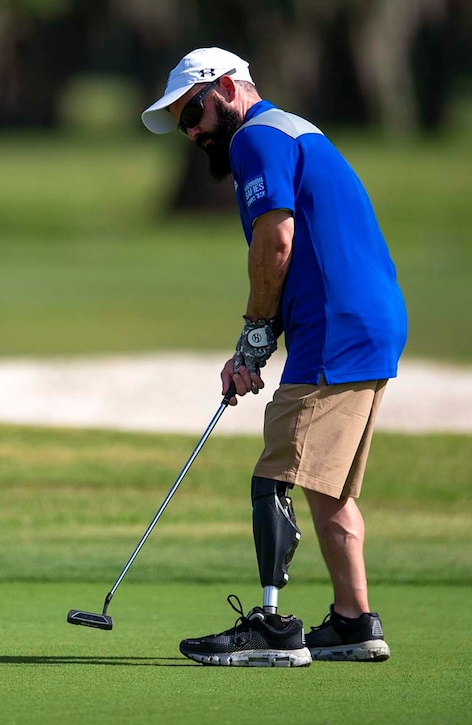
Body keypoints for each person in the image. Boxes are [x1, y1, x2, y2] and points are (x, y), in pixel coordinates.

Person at [141, 47, 408, 667]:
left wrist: (255, 334)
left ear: (228, 88)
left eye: (193, 114)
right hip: (367, 321)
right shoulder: (291, 131)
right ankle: (353, 621)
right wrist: (261, 337)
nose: (192, 132)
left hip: (334, 325)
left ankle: (274, 628)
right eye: (183, 122)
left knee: (276, 474)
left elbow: (276, 238)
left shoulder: (255, 139)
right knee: (329, 487)